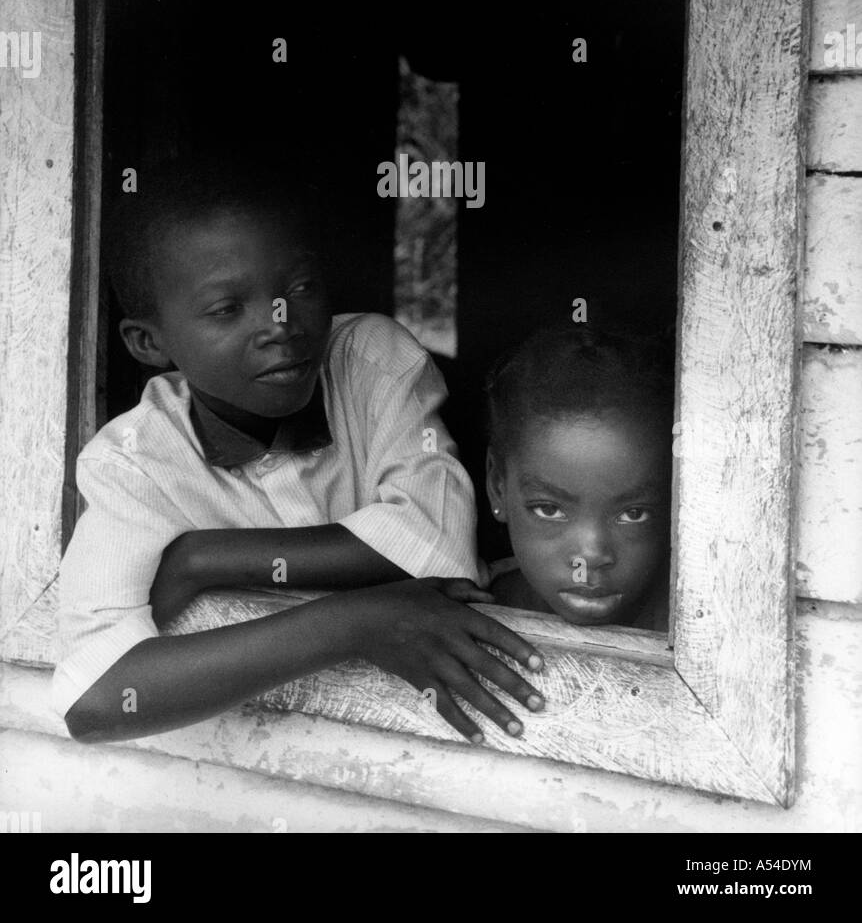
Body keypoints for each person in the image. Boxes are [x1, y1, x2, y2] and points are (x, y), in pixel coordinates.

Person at [54, 157, 544, 745]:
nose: (280, 325)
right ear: (149, 342)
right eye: (227, 309)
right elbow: (96, 696)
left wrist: (205, 559)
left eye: (300, 288)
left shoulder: (370, 359)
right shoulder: (132, 461)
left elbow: (436, 545)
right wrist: (359, 622)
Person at [485, 326, 671, 630]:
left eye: (634, 514)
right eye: (549, 509)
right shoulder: (463, 610)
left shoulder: (706, 631)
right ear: (497, 486)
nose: (591, 555)